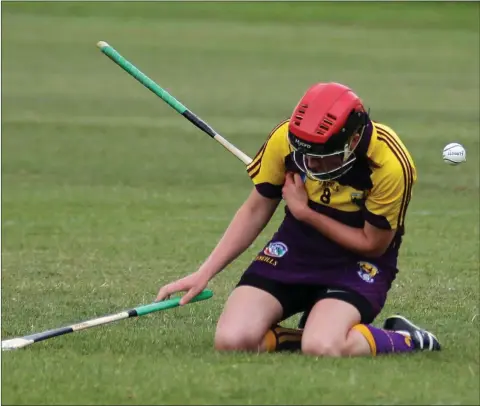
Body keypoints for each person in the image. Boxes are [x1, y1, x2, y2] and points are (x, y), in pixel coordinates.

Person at [155, 82, 441, 357]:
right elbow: (256, 209)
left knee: (323, 348)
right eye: (304, 154)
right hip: (296, 250)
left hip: (357, 263)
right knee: (232, 341)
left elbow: (372, 245)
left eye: (322, 156)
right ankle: (316, 330)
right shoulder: (286, 139)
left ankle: (407, 339)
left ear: (352, 140)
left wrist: (306, 213)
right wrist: (204, 272)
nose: (310, 164)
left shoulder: (389, 163)